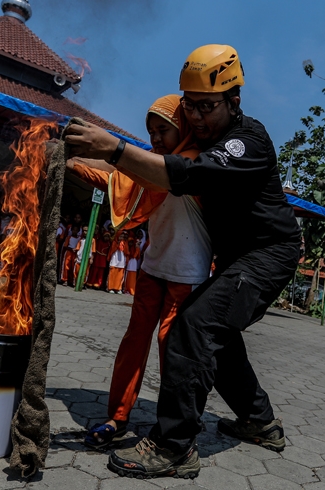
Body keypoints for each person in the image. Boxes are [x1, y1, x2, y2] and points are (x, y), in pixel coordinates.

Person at [65, 44, 302, 479]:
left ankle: (174, 447)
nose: (196, 117)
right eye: (189, 106)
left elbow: (188, 176)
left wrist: (114, 149)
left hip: (269, 254)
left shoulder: (247, 142)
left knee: (191, 329)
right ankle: (260, 421)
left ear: (234, 101)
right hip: (234, 258)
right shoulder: (198, 139)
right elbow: (153, 170)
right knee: (222, 340)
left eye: (207, 107)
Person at [67, 95, 211, 448]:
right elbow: (119, 181)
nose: (156, 139)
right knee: (134, 341)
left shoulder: (198, 166)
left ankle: (176, 423)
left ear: (185, 128)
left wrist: (110, 153)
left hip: (188, 277)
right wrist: (72, 165)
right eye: (151, 132)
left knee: (172, 348)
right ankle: (117, 415)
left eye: (164, 129)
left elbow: (153, 179)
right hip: (152, 269)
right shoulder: (151, 166)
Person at [106, 230, 127, 294]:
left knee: (120, 276)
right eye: (120, 236)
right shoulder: (114, 242)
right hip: (114, 260)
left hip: (121, 261)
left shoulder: (125, 243)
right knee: (112, 274)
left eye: (123, 236)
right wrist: (118, 243)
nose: (121, 237)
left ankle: (118, 288)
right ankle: (110, 287)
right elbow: (112, 250)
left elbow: (127, 251)